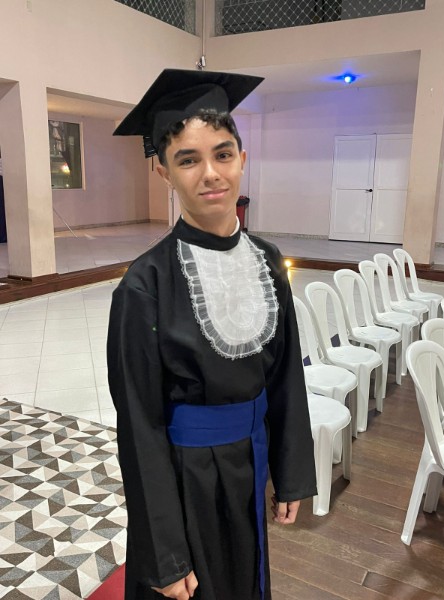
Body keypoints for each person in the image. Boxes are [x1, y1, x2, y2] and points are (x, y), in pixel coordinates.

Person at [107, 69, 317, 600]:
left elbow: (286, 375)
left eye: (222, 154)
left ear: (242, 158)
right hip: (186, 480)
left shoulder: (268, 260)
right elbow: (139, 426)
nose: (210, 174)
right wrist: (165, 551)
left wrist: (291, 470)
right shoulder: (145, 285)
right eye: (188, 160)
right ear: (163, 171)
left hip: (251, 460)